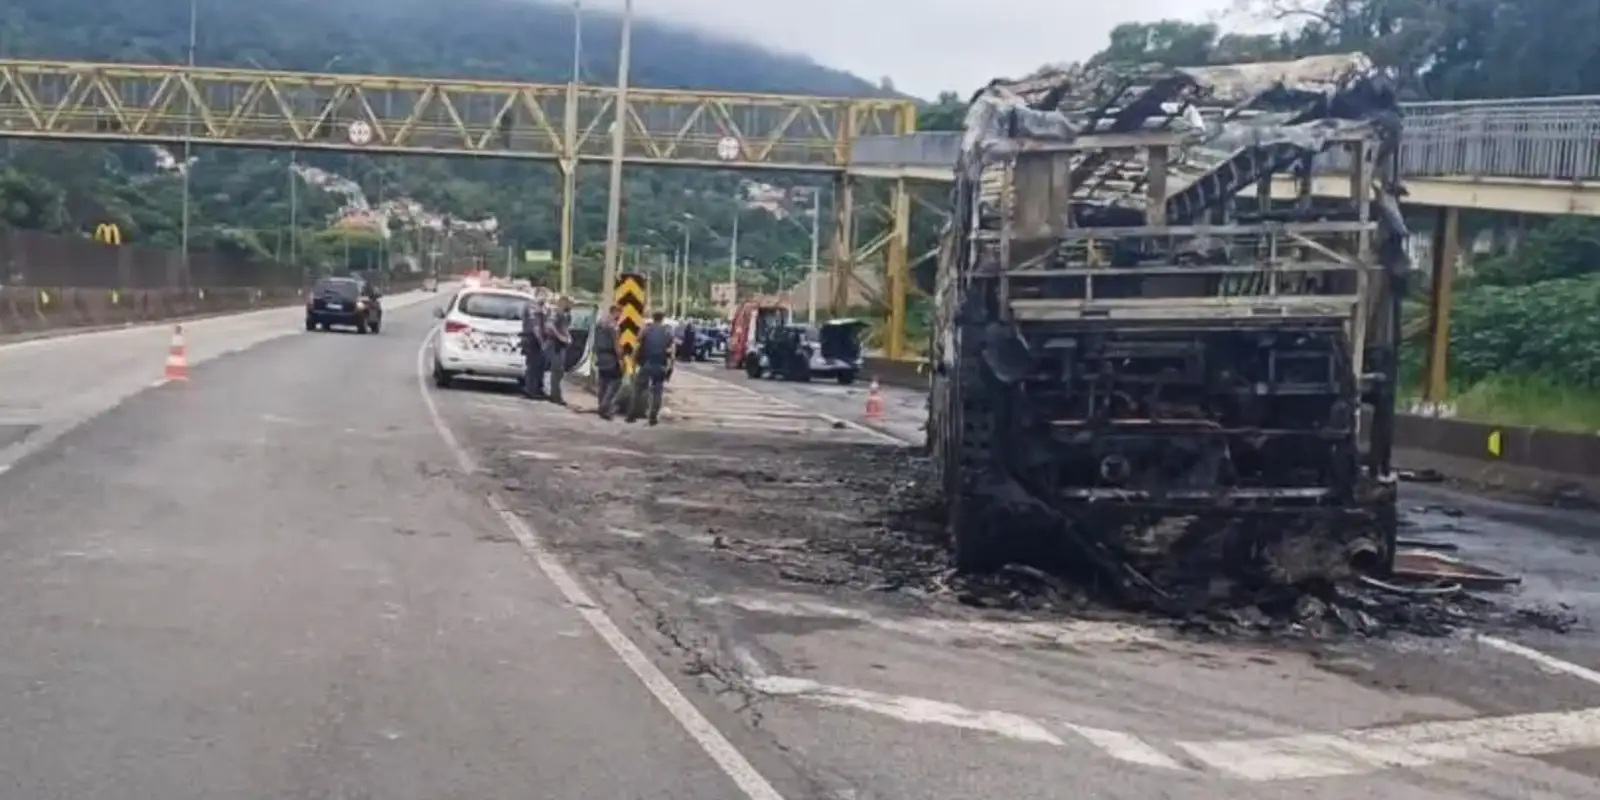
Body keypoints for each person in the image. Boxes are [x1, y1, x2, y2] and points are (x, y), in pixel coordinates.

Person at [628, 310, 674, 426]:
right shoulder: (668, 332)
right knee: (657, 392)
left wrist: (633, 363)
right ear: (663, 319)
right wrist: (670, 369)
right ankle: (653, 417)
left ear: (653, 318)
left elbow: (637, 346)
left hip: (646, 364)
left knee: (638, 390)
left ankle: (631, 415)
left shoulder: (645, 330)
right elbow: (672, 352)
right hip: (660, 365)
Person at [592, 303, 624, 419]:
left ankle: (601, 405)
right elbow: (616, 344)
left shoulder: (599, 323)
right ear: (615, 312)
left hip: (601, 356)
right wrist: (621, 357)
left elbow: (595, 340)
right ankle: (605, 407)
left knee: (602, 382)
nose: (620, 316)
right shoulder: (614, 326)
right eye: (620, 313)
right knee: (616, 381)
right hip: (611, 357)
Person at [543, 296, 574, 405]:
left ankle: (555, 394)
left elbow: (565, 328)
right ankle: (555, 395)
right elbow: (550, 325)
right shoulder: (556, 312)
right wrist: (560, 336)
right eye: (570, 303)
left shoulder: (567, 315)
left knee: (559, 371)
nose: (572, 306)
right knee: (556, 370)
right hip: (554, 343)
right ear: (564, 303)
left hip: (561, 345)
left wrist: (568, 337)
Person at [520, 298, 547, 399]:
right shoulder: (534, 310)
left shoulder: (533, 309)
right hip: (533, 340)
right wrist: (542, 342)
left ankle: (534, 388)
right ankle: (531, 389)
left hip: (530, 339)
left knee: (535, 365)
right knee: (534, 365)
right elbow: (536, 328)